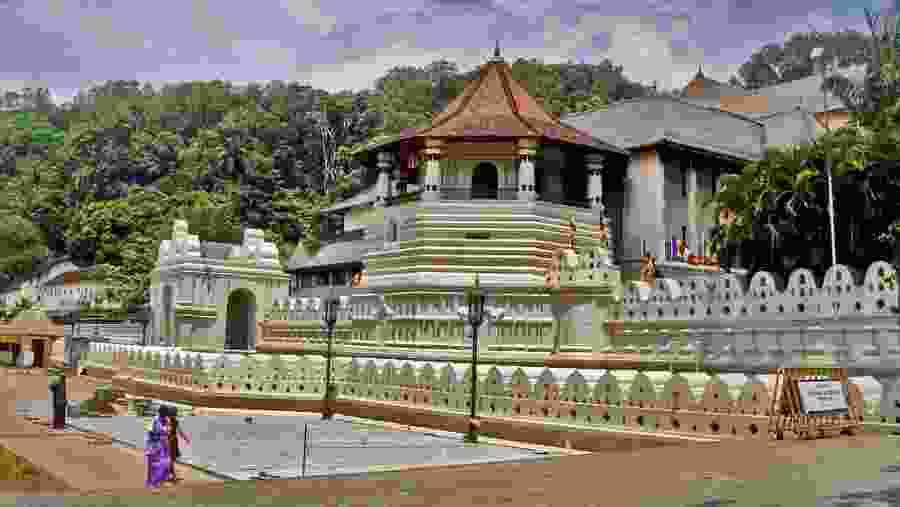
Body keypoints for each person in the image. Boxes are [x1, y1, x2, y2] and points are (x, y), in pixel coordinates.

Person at [144, 406, 172, 488]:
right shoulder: (155, 420)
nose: (165, 415)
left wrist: (166, 442)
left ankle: (158, 481)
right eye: (164, 413)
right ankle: (151, 482)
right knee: (153, 464)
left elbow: (168, 432)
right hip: (154, 444)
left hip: (163, 444)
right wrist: (151, 446)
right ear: (160, 413)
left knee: (165, 462)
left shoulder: (167, 420)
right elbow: (150, 432)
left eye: (166, 414)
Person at [165, 406, 191, 483]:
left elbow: (180, 431)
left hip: (173, 442)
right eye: (174, 413)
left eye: (175, 413)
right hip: (168, 441)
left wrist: (186, 438)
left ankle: (170, 474)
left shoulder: (175, 421)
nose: (175, 415)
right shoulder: (167, 421)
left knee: (172, 459)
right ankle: (170, 474)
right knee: (169, 459)